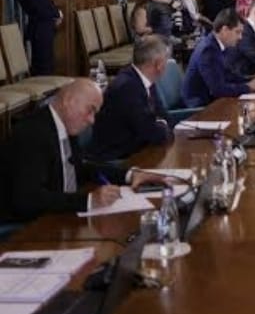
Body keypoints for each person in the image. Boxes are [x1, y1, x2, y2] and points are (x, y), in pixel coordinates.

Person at [0, 80, 158, 221]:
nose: (92, 120)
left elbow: (80, 167)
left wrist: (130, 174)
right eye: (90, 110)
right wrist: (89, 201)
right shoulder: (32, 133)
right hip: (25, 227)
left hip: (55, 216)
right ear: (68, 101)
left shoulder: (64, 125)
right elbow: (28, 200)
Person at [88, 36, 174, 161]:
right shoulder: (127, 87)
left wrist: (162, 124)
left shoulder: (145, 79)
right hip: (116, 159)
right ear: (158, 64)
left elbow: (164, 116)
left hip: (137, 149)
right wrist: (162, 126)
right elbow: (150, 132)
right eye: (166, 60)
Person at [182, 9, 255, 108]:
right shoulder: (208, 50)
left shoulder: (219, 45)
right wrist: (248, 87)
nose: (240, 37)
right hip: (199, 106)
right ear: (225, 30)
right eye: (237, 32)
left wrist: (252, 79)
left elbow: (229, 75)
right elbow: (218, 89)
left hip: (212, 100)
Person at [16, 0, 63, 75]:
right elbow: (40, 11)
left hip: (44, 31)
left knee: (47, 64)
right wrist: (56, 16)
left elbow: (47, 6)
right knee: (42, 67)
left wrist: (56, 16)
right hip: (39, 32)